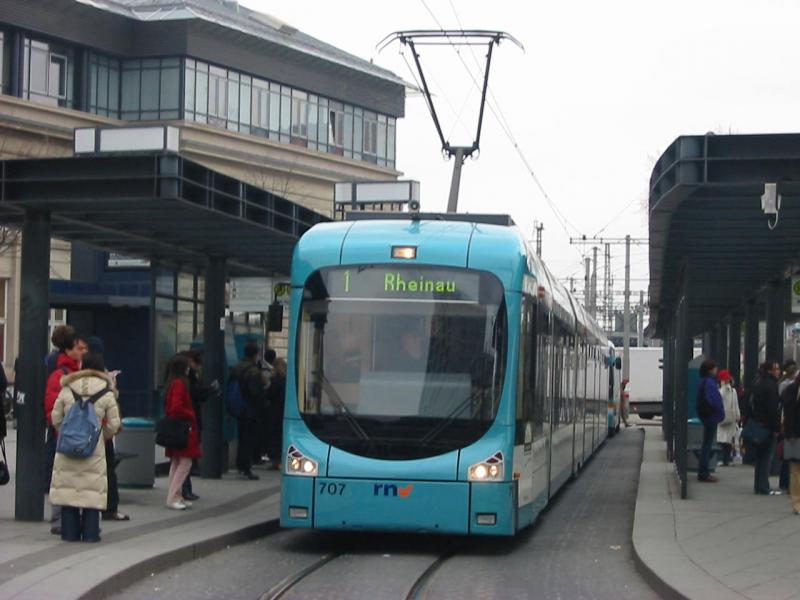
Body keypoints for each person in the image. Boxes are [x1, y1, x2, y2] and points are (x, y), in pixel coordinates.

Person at [49, 352, 120, 542]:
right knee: (91, 493)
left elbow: (55, 417)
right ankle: (90, 534)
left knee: (69, 492)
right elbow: (114, 423)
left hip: (67, 448)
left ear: (81, 365)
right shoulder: (106, 392)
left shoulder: (67, 388)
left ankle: (69, 533)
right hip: (93, 449)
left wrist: (66, 433)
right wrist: (100, 437)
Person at [44, 329, 88, 534]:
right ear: (69, 350)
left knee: (68, 476)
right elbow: (53, 406)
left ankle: (65, 519)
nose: (82, 352)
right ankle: (60, 519)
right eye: (79, 348)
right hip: (65, 433)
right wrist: (60, 428)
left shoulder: (73, 371)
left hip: (68, 432)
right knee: (62, 476)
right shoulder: (61, 372)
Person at [179, 349, 218, 502]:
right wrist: (209, 391)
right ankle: (181, 492)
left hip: (189, 420)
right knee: (183, 460)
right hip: (187, 421)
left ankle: (182, 491)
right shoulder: (184, 381)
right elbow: (192, 396)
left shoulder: (184, 379)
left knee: (182, 461)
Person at [164, 354, 202, 510]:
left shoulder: (172, 382)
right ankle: (173, 497)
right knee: (185, 463)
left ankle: (176, 495)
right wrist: (190, 414)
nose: (189, 368)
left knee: (176, 462)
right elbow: (176, 406)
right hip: (183, 428)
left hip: (176, 428)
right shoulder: (181, 384)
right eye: (186, 366)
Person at [231, 341, 267, 480]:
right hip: (251, 410)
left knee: (242, 438)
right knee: (249, 439)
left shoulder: (237, 367)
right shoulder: (253, 371)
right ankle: (246, 467)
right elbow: (255, 392)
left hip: (239, 408)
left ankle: (241, 466)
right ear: (255, 354)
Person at [750, 361, 783, 495]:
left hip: (758, 423)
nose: (779, 372)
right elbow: (773, 409)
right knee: (766, 457)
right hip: (768, 426)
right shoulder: (771, 385)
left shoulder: (758, 382)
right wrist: (776, 428)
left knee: (759, 457)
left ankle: (758, 485)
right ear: (770, 371)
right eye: (776, 369)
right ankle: (764, 486)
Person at [696, 359, 725, 482]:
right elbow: (713, 399)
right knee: (707, 445)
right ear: (711, 370)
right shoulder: (710, 382)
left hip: (705, 415)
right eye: (715, 368)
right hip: (711, 416)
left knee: (706, 444)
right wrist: (718, 410)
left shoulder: (703, 381)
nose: (716, 370)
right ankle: (704, 472)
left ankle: (703, 471)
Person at [782, 373, 800, 514]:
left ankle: (796, 502)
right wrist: (791, 433)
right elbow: (789, 413)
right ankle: (796, 502)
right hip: (795, 435)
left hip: (794, 434)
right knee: (795, 469)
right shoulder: (792, 391)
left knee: (795, 470)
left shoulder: (789, 390)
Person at [264, 357, 287, 469]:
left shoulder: (275, 380)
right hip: (284, 410)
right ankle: (280, 460)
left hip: (274, 411)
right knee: (280, 435)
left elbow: (269, 395)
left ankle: (275, 461)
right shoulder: (287, 380)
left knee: (273, 436)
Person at [716, 370, 740, 466]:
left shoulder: (720, 391)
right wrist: (737, 416)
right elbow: (735, 405)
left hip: (722, 417)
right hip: (731, 417)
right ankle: (727, 459)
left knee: (721, 439)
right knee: (729, 439)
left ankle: (721, 459)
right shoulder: (733, 391)